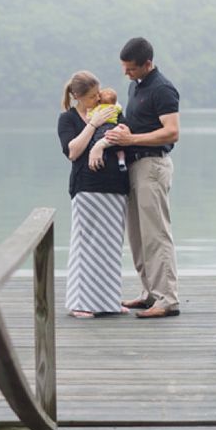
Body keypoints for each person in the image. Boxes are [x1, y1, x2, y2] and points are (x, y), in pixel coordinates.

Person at [100, 37, 180, 319]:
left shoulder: (163, 88)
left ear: (147, 64)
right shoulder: (136, 86)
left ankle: (167, 299)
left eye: (131, 68)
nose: (126, 73)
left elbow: (172, 132)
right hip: (133, 165)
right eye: (124, 68)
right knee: (137, 235)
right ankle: (149, 294)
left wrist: (132, 137)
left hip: (153, 166)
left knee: (156, 235)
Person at [57, 71, 130, 318]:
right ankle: (79, 302)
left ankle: (108, 300)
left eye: (97, 95)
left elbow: (124, 135)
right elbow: (73, 151)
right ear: (77, 96)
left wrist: (104, 141)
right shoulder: (68, 119)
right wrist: (92, 125)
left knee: (110, 246)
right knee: (85, 245)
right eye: (90, 97)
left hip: (116, 185)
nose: (96, 100)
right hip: (86, 187)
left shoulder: (109, 108)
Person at [88, 87, 127, 172]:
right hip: (113, 128)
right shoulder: (115, 108)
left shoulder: (98, 109)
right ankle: (121, 160)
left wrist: (89, 115)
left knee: (95, 142)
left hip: (102, 129)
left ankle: (100, 159)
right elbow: (120, 109)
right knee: (119, 147)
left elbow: (90, 117)